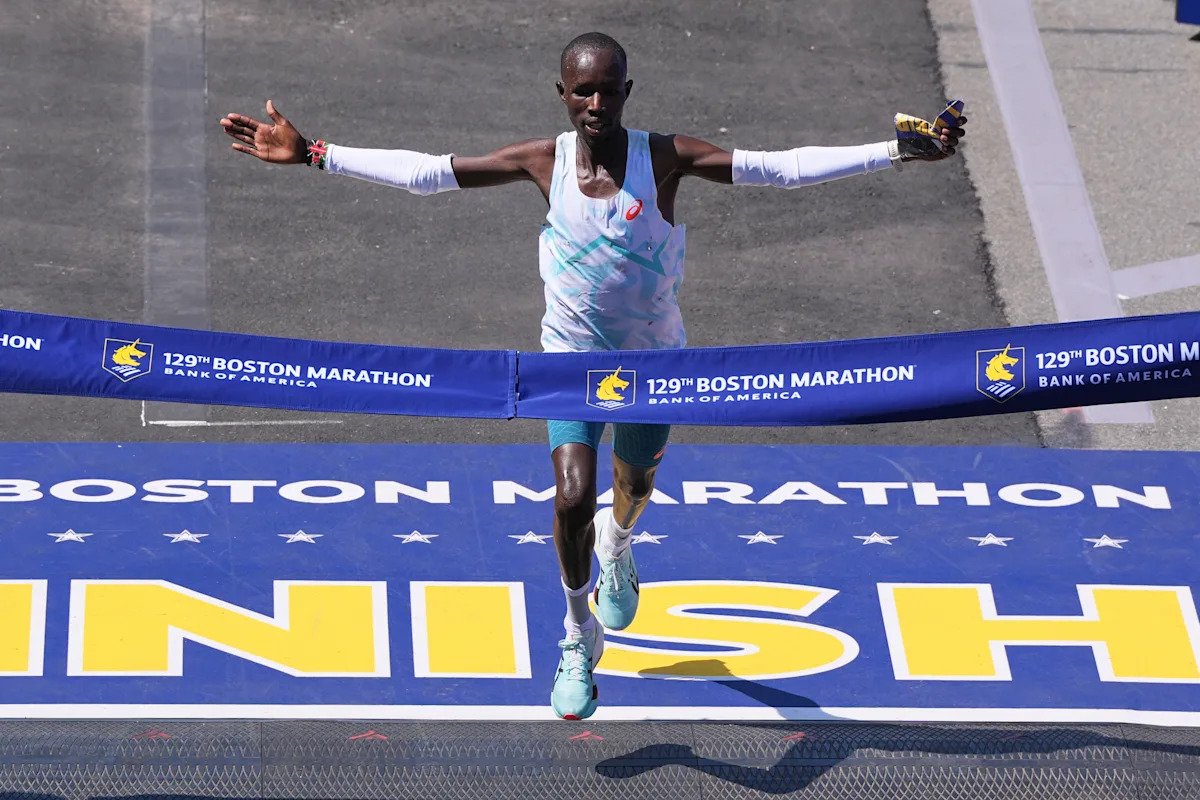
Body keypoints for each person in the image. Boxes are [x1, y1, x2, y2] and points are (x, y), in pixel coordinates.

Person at [219, 31, 966, 720]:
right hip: (567, 367)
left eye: (609, 91)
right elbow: (427, 177)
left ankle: (621, 544)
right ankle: (578, 638)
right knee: (571, 495)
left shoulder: (665, 158)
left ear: (627, 92)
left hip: (653, 369)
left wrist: (897, 151)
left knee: (628, 494)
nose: (597, 105)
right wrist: (314, 151)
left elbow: (779, 169)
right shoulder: (542, 162)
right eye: (583, 92)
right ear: (563, 94)